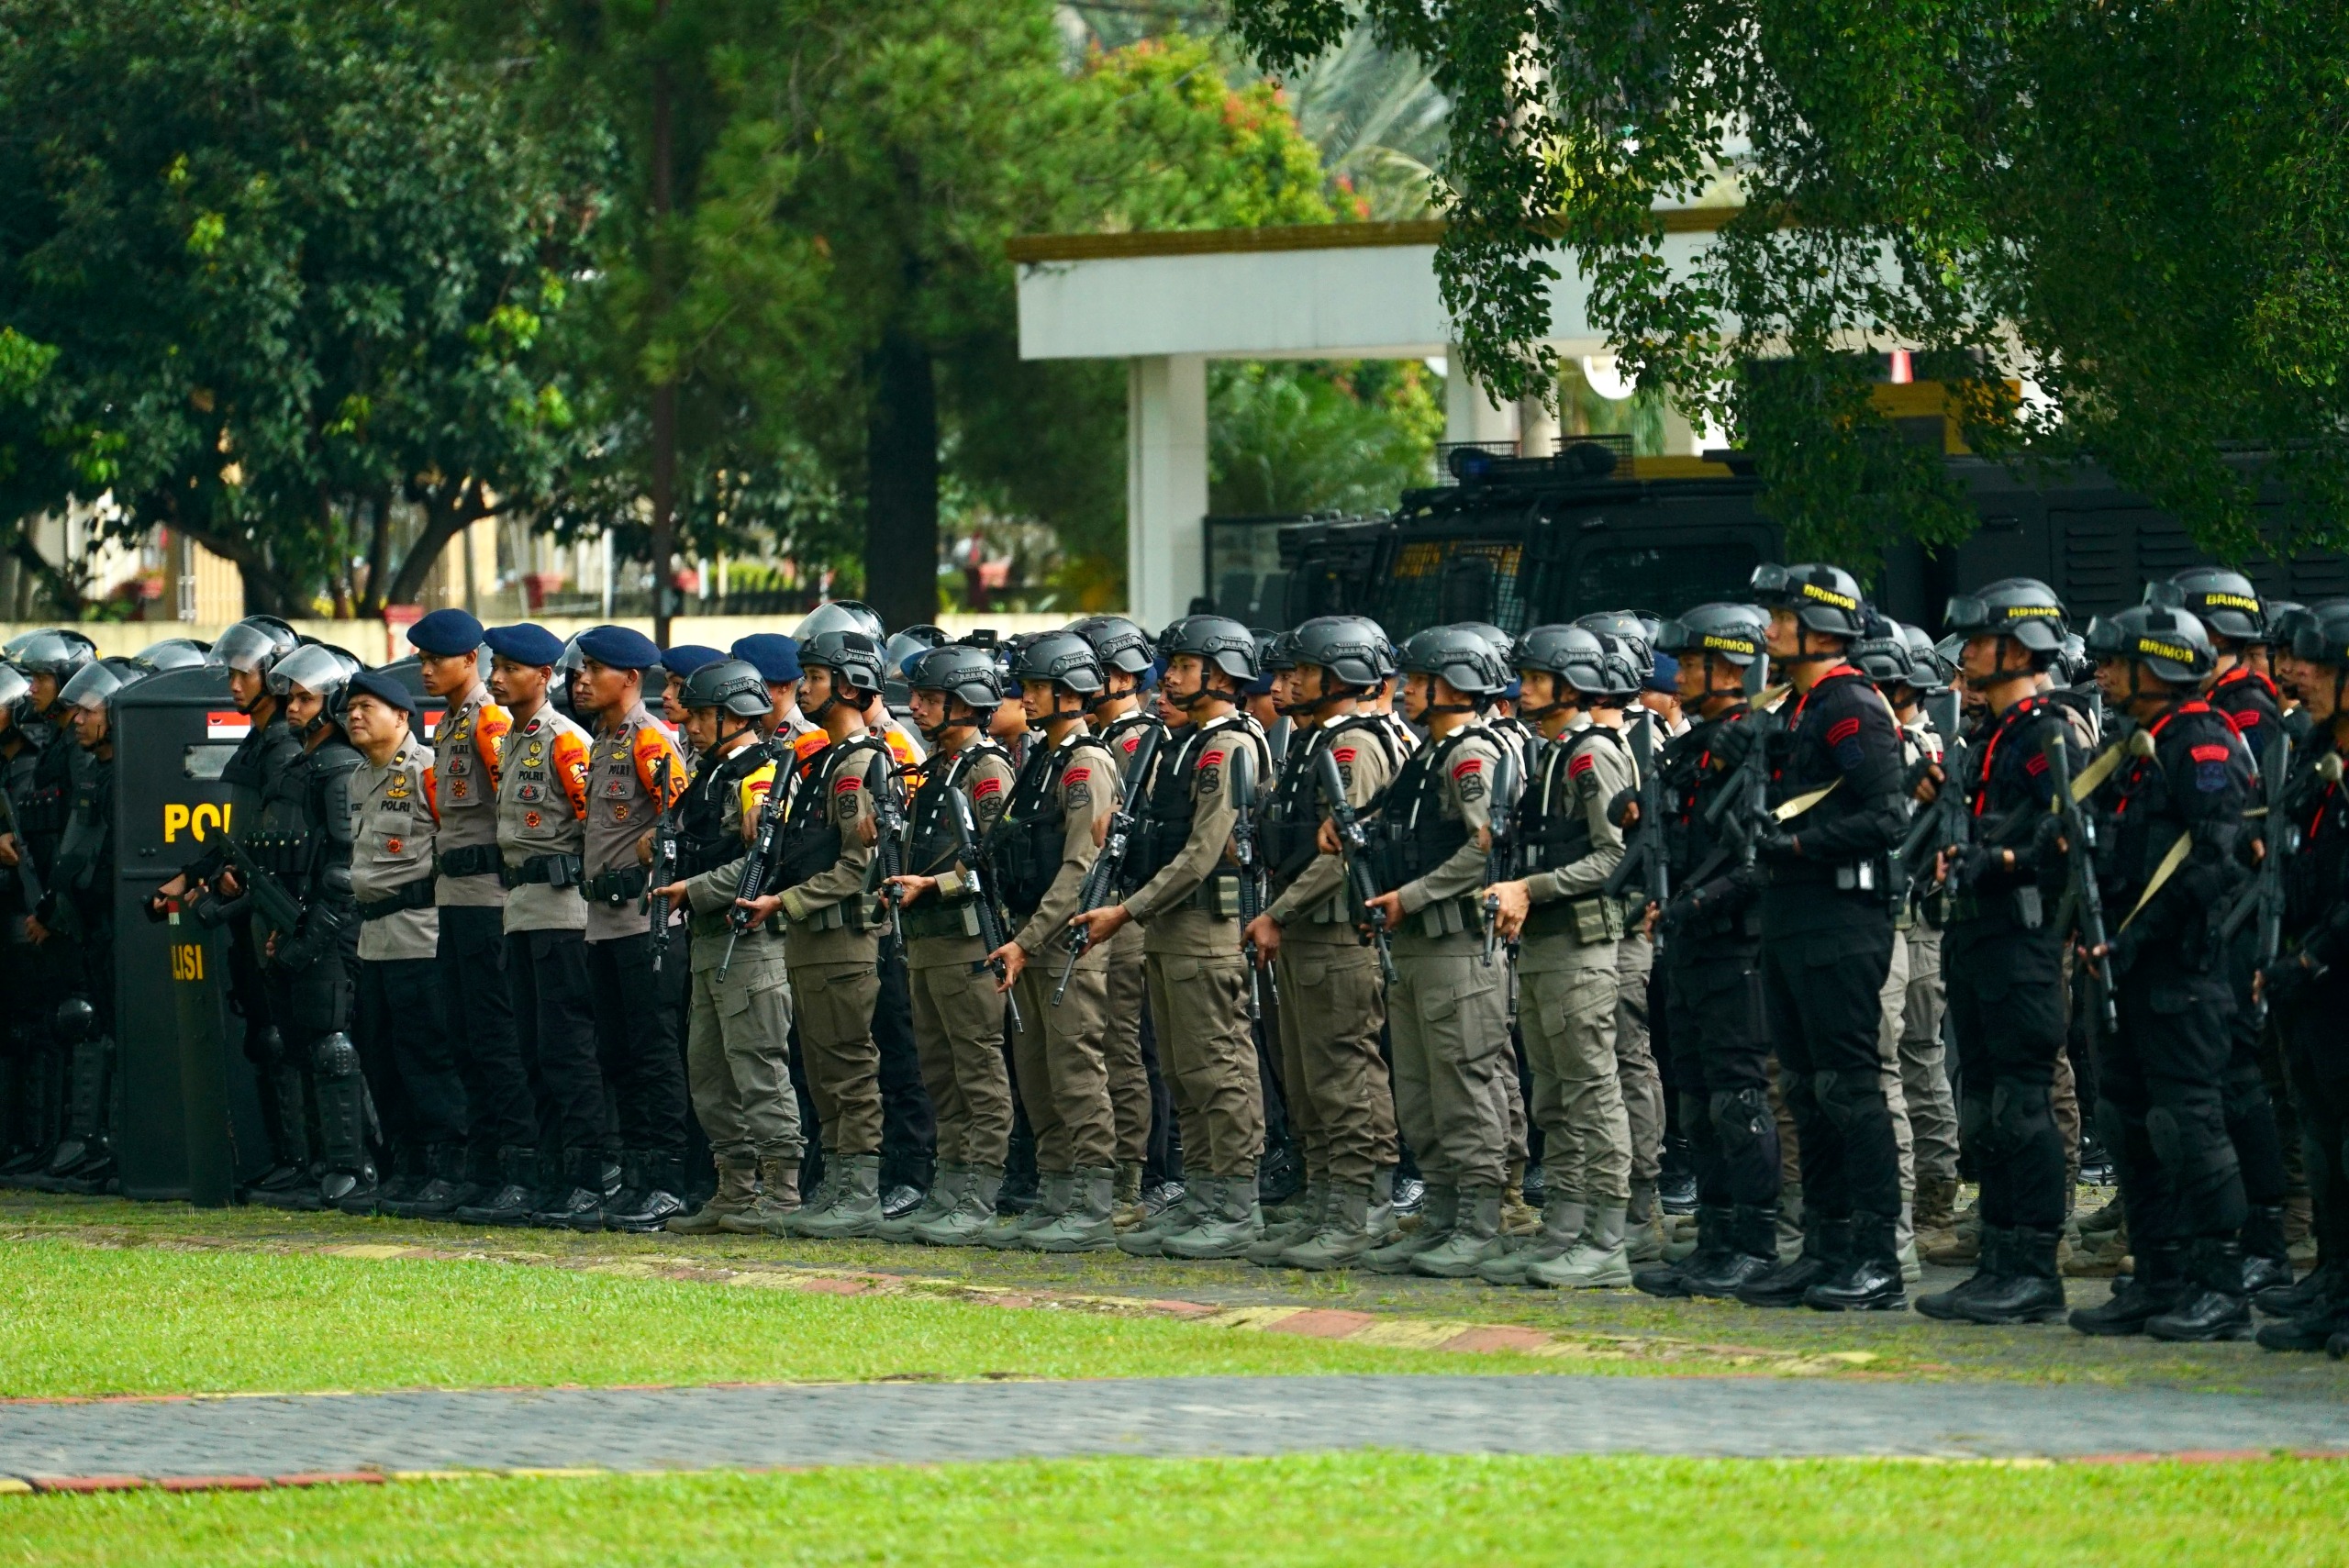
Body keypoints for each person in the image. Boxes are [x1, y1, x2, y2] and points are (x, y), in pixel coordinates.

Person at [2070, 604, 2257, 1340]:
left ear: (2159, 666)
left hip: (2178, 969)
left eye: (2118, 661)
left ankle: (2220, 1283)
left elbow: (2216, 859)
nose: (2104, 673)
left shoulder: (2202, 743)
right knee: (2128, 1123)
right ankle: (2159, 1273)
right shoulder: (2132, 746)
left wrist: (2136, 935)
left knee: (2189, 1126)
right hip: (2125, 968)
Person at [1737, 562, 1909, 1313]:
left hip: (1839, 920)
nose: (1769, 629)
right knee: (1806, 1089)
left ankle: (1874, 1255)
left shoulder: (1848, 707)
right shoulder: (1797, 706)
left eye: (1782, 617)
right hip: (1793, 919)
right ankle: (1826, 1245)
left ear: (1820, 628)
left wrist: (1798, 848)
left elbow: (1886, 817)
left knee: (1848, 1087)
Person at [1912, 580, 2081, 1325]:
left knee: (2021, 1102)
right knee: (1983, 1104)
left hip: (2024, 937)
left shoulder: (2050, 731)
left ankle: (2034, 1266)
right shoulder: (1991, 735)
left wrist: (2003, 860)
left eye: (1979, 643)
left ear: (2016, 650)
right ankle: (2000, 1255)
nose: (1968, 655)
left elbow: (2069, 837)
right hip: (1978, 936)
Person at [1078, 615, 1271, 1261]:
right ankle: (1205, 1191)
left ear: (1220, 674)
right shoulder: (1189, 742)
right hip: (1171, 930)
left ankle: (1236, 1202)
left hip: (1203, 932)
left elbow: (1200, 853)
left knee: (1219, 1069)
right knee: (1187, 1074)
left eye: (1185, 667)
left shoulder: (1229, 745)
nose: (1171, 677)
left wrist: (1125, 910)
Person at [1481, 624, 1642, 1288]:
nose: (1522, 688)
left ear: (1568, 687)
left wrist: (1529, 887)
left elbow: (1612, 854)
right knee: (1554, 1094)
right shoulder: (1553, 753)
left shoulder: (1590, 755)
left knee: (1592, 1091)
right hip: (1546, 946)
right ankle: (1567, 1227)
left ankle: (1607, 1238)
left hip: (1580, 947)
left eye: (1534, 678)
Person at [1351, 625, 1513, 1278]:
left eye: (1419, 681)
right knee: (1419, 1092)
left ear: (1456, 685)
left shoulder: (1469, 755)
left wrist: (1411, 896)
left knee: (1463, 1085)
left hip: (1455, 944)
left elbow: (1484, 846)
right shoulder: (1427, 753)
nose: (1407, 692)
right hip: (1417, 947)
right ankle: (1443, 1210)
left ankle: (1479, 1220)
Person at [2152, 570, 2296, 1294]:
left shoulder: (2245, 713)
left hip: (2233, 913)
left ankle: (2263, 1235)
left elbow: (2245, 826)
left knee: (2236, 1079)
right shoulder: (2224, 707)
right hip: (2225, 912)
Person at [1245, 615, 1404, 1269]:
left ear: (1341, 676)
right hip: (1307, 935)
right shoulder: (1312, 744)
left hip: (1338, 933)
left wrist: (1277, 910)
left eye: (1303, 671)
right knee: (1311, 1080)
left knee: (1345, 1072)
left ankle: (1363, 1204)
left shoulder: (1353, 747)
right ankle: (1326, 1200)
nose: (1289, 682)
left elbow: (1345, 850)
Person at [1634, 604, 1781, 1297]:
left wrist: (1692, 902)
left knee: (1736, 1098)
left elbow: (1756, 863)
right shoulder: (1693, 747)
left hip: (1734, 946)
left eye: (1693, 664)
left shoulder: (1756, 746)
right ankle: (1717, 1234)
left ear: (1729, 668)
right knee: (1694, 1099)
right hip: (1688, 943)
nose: (1681, 675)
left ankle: (1752, 1238)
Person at [729, 628, 894, 1239]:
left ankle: (861, 1187)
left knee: (850, 1066)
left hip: (842, 939)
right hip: (809, 938)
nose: (805, 688)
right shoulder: (817, 759)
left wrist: (785, 900)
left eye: (817, 678)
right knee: (822, 1069)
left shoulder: (859, 763)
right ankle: (839, 1180)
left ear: (849, 687)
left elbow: (857, 867)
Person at [969, 632, 1126, 1251]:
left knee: (1075, 1071)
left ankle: (1093, 1198)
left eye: (1034, 687)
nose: (1024, 697)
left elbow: (1078, 867)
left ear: (1068, 694)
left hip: (1063, 942)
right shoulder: (1044, 759)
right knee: (1038, 1074)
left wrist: (1028, 940)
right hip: (1031, 937)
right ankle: (1059, 1189)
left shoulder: (1086, 763)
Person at [147, 619, 305, 1199]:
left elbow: (275, 834)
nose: (234, 684)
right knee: (265, 1032)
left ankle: (307, 1158)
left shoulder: (284, 745)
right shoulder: (258, 740)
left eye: (245, 673)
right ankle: (291, 1156)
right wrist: (191, 875)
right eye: (233, 672)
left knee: (283, 1036)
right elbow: (232, 835)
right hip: (245, 900)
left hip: (271, 905)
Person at [877, 645, 1025, 1244]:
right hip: (930, 944)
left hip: (967, 945)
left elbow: (996, 861)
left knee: (978, 1073)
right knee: (940, 1074)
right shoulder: (937, 768)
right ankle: (952, 1182)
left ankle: (980, 1189)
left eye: (930, 699)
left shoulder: (986, 769)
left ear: (965, 704)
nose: (915, 708)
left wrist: (933, 883)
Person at [653, 659, 806, 1236]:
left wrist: (690, 888)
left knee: (759, 1065)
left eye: (701, 715)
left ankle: (782, 1192)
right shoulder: (711, 773)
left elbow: (761, 861)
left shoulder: (759, 775)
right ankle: (735, 1188)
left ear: (731, 716)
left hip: (748, 940)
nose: (689, 723)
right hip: (707, 938)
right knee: (709, 1072)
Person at [475, 622, 606, 1229]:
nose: (495, 677)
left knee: (566, 1049)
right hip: (520, 910)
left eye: (508, 667)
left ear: (543, 675)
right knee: (529, 1048)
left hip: (560, 913)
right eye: (495, 665)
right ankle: (550, 1173)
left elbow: (591, 828)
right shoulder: (514, 740)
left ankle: (584, 1175)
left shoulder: (565, 740)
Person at [569, 625, 693, 1232]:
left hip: (646, 925)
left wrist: (657, 839)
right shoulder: (604, 739)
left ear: (630, 678)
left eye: (595, 668)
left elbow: (684, 813)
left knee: (653, 1057)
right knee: (616, 1054)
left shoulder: (649, 738)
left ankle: (668, 1178)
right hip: (603, 924)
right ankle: (637, 1175)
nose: (582, 679)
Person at [412, 612, 535, 1223]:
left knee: (494, 1036)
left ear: (470, 660)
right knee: (461, 1034)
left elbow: (512, 806)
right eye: (422, 660)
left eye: (438, 658)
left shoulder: (489, 722)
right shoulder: (450, 723)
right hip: (454, 900)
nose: (426, 669)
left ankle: (514, 1165)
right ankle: (482, 1167)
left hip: (489, 901)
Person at [2253, 600, 2349, 1351]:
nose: (2298, 674)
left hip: (2337, 976)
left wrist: (2314, 955)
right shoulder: (2312, 755)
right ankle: (2335, 1281)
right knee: (2322, 1139)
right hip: (2308, 991)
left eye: (2318, 665)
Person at [341, 667, 469, 1219]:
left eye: (368, 706)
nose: (355, 715)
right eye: (351, 708)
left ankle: (446, 1168)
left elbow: (455, 844)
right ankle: (406, 1164)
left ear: (402, 716)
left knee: (426, 1056)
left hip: (421, 934)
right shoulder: (356, 779)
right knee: (382, 1056)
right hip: (373, 939)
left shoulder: (428, 772)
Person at [22, 656, 142, 1192]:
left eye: (89, 711)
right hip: (94, 927)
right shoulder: (97, 773)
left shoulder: (134, 775)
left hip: (124, 929)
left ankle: (122, 1147)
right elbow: (78, 856)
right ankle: (100, 1146)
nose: (77, 721)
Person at [258, 646, 372, 1210]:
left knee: (333, 1044)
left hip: (331, 930)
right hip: (297, 921)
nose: (293, 708)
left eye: (305, 698)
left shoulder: (342, 769)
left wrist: (311, 935)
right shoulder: (300, 765)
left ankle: (351, 1164)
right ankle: (314, 1160)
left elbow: (345, 869)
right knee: (296, 1040)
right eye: (291, 697)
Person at [1070, 614, 1171, 1221]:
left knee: (1125, 1045)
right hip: (1106, 907)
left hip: (1127, 910)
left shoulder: (1137, 740)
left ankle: (1142, 1173)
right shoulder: (1104, 742)